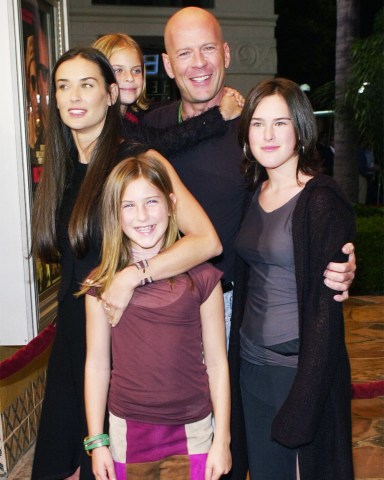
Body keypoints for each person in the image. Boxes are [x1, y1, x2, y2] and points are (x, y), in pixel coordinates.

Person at [31, 47, 222, 480]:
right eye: (63, 86)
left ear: (112, 94)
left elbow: (207, 241)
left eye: (87, 84)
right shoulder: (60, 169)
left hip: (125, 341)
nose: (74, 96)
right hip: (75, 339)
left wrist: (132, 276)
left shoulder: (136, 160)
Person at [139, 6, 356, 352]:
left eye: (208, 48)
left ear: (225, 53)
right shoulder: (152, 128)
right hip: (154, 302)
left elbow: (297, 197)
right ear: (168, 64)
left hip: (233, 309)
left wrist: (335, 256)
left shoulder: (254, 131)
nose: (198, 63)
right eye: (184, 52)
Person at [229, 78, 355, 479]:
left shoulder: (320, 199)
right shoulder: (254, 191)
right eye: (258, 123)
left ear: (301, 130)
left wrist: (306, 396)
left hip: (298, 371)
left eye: (280, 123)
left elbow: (325, 311)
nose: (267, 135)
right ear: (246, 134)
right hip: (250, 363)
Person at [82, 153, 231, 480]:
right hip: (126, 429)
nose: (142, 216)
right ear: (115, 214)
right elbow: (96, 365)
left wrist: (222, 439)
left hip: (194, 428)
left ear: (171, 204)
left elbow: (218, 363)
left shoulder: (203, 277)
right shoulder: (101, 284)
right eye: (128, 206)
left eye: (152, 201)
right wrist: (97, 441)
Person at [92, 32, 243, 157]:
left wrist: (223, 93)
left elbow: (166, 105)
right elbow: (163, 142)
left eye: (136, 70)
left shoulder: (131, 113)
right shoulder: (106, 122)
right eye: (118, 70)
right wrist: (220, 114)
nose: (129, 77)